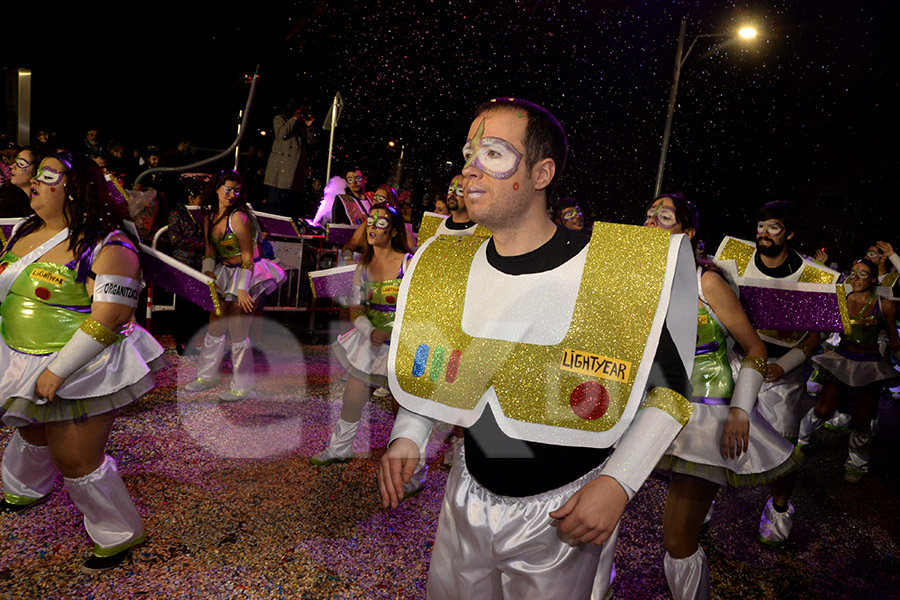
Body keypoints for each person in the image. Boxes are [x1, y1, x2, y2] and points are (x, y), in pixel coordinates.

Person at [378, 98, 696, 599]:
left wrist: (619, 482)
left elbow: (671, 391)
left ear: (542, 172)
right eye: (468, 153)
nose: (470, 170)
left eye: (495, 154)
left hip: (564, 515)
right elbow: (439, 361)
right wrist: (410, 431)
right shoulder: (446, 262)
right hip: (465, 494)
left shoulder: (615, 269)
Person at [0, 152, 165, 573]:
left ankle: (118, 533)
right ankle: (23, 489)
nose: (35, 180)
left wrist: (59, 370)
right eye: (36, 173)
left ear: (75, 189)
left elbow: (110, 316)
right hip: (18, 356)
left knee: (75, 458)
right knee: (30, 427)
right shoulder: (24, 229)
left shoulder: (109, 246)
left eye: (47, 175)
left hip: (80, 369)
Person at [647, 193, 798, 599]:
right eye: (648, 215)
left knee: (678, 540)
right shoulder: (639, 279)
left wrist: (739, 411)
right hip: (652, 411)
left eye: (663, 217)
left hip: (704, 419)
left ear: (687, 232)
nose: (650, 222)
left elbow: (756, 350)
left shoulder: (706, 281)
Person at [713, 200, 839, 548]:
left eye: (774, 227)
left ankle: (779, 508)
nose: (764, 233)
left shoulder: (813, 275)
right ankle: (702, 498)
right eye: (761, 225)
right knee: (714, 431)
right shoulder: (734, 258)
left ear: (790, 234)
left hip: (781, 374)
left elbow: (814, 335)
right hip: (737, 361)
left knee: (785, 445)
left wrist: (784, 365)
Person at [310, 204, 416, 470]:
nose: (372, 226)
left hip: (404, 346)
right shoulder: (362, 266)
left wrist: (397, 333)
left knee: (403, 411)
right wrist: (371, 331)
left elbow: (423, 308)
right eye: (370, 220)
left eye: (381, 223)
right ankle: (340, 448)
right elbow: (356, 308)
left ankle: (411, 468)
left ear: (392, 231)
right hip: (372, 344)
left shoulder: (409, 263)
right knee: (352, 398)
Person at [184, 170, 285, 401]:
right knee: (215, 326)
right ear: (217, 189)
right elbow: (210, 251)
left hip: (247, 274)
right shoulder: (210, 216)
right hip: (223, 272)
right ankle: (206, 376)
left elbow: (250, 256)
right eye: (227, 189)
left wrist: (242, 289)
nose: (231, 194)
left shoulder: (239, 217)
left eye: (236, 191)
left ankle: (243, 386)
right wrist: (206, 276)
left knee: (238, 331)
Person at [798, 258, 900, 482]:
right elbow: (824, 331)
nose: (855, 278)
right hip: (841, 359)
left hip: (870, 366)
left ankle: (857, 463)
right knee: (823, 410)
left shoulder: (884, 305)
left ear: (873, 279)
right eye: (853, 273)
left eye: (862, 274)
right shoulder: (841, 300)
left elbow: (894, 341)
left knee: (862, 421)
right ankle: (799, 441)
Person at [167, 176, 209, 356]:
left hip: (199, 264)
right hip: (183, 264)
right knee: (183, 305)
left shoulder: (204, 213)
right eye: (200, 197)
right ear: (191, 198)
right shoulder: (177, 213)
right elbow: (176, 240)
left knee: (196, 305)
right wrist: (203, 244)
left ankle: (193, 340)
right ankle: (180, 340)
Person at [263, 104, 317, 216]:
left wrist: (309, 126)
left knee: (288, 207)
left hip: (295, 173)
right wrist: (294, 119)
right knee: (273, 203)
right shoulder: (280, 119)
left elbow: (311, 141)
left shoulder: (302, 125)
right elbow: (282, 134)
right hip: (279, 173)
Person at [340, 185, 417, 262]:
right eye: (374, 199)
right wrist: (349, 260)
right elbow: (349, 246)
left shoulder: (401, 226)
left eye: (380, 199)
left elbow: (411, 254)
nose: (376, 202)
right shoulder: (367, 225)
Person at [1, 146, 43, 217]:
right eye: (15, 161)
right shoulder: (9, 200)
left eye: (21, 164)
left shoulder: (44, 206)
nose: (12, 166)